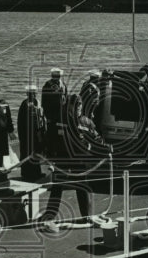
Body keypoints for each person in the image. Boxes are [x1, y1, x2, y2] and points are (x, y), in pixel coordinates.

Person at [42, 94, 110, 223]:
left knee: (82, 186)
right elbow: (49, 138)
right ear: (69, 106)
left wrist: (106, 148)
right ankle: (50, 215)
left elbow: (96, 139)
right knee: (56, 187)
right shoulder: (59, 120)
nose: (78, 108)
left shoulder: (85, 122)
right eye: (76, 105)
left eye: (80, 105)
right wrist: (49, 156)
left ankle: (86, 216)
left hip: (79, 160)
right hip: (62, 158)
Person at [17, 84, 47, 182]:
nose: (32, 95)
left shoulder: (38, 103)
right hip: (27, 134)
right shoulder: (25, 104)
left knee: (36, 153)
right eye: (30, 93)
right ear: (27, 94)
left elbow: (42, 117)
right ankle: (26, 174)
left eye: (34, 93)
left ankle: (36, 172)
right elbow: (20, 122)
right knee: (26, 153)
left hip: (37, 133)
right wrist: (22, 136)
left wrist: (43, 131)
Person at [41, 68, 67, 151]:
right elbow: (44, 102)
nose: (57, 77)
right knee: (52, 133)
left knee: (59, 133)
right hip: (52, 115)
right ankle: (52, 151)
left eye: (58, 76)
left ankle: (58, 151)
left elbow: (66, 98)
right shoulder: (48, 85)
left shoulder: (62, 84)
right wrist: (46, 116)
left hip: (59, 115)